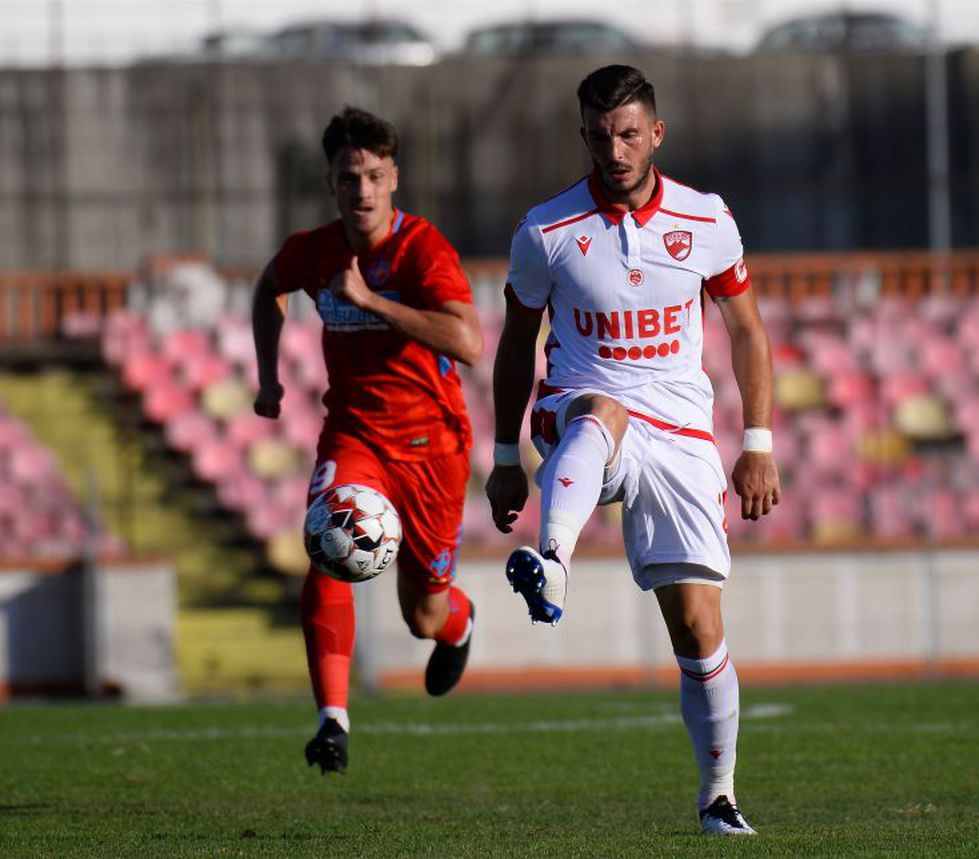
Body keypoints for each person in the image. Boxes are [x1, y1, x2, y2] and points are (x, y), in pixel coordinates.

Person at [486, 65, 781, 835]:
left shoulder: (706, 218)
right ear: (582, 136)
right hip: (577, 411)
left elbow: (747, 330)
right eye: (597, 134)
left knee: (697, 625)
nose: (613, 150)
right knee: (601, 409)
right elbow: (517, 344)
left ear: (656, 133)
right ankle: (551, 559)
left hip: (681, 430)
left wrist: (757, 441)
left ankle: (718, 796)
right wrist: (506, 453)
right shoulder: (545, 231)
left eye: (626, 133)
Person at [252, 107, 483, 775]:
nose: (362, 191)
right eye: (349, 178)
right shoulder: (315, 249)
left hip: (432, 444)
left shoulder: (423, 249)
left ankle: (458, 623)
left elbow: (468, 341)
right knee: (327, 543)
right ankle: (333, 720)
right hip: (355, 433)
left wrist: (376, 301)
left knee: (423, 613)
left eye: (375, 176)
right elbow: (269, 286)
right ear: (331, 183)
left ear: (394, 179)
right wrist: (268, 377)